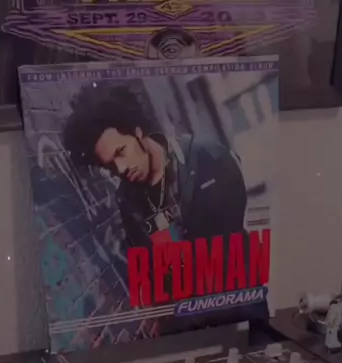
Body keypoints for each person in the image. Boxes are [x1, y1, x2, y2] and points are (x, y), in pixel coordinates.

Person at [62, 82, 248, 252]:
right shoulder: (129, 202)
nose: (121, 168)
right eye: (110, 165)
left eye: (121, 152)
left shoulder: (206, 157)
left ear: (137, 132)